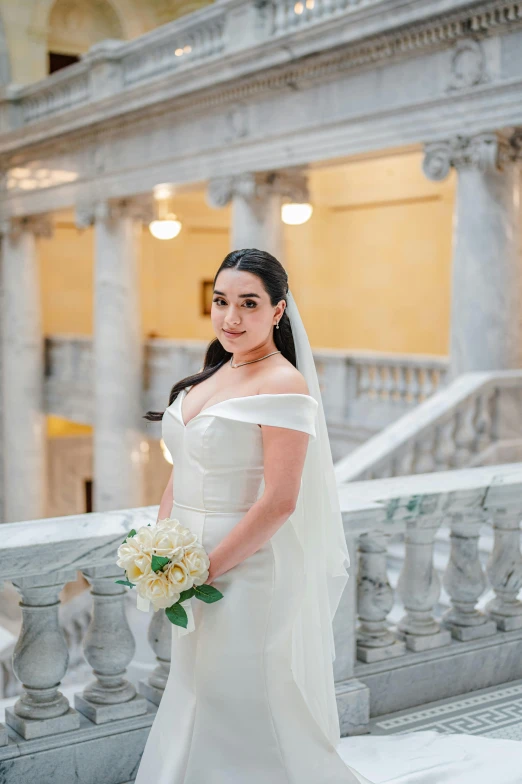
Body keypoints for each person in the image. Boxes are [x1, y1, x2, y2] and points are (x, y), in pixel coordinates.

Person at [137, 248, 522, 784]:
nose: (231, 317)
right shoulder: (210, 377)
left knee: (241, 691)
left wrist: (205, 568)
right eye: (221, 301)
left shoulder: (283, 384)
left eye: (249, 304)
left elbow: (279, 502)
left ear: (277, 311)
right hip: (185, 563)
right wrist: (161, 549)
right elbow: (181, 472)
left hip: (245, 568)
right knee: (196, 684)